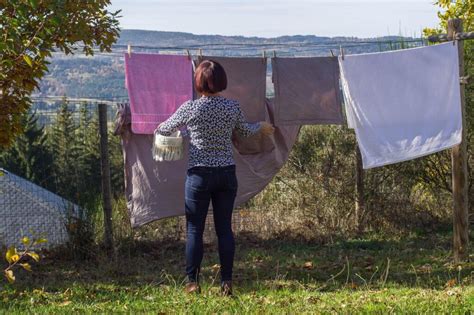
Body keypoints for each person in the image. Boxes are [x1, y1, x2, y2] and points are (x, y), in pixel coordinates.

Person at [157, 60, 274, 296]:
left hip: (198, 176)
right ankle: (227, 282)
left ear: (198, 82)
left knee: (194, 230)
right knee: (224, 230)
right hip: (226, 175)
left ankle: (192, 282)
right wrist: (261, 127)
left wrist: (182, 133)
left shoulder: (189, 109)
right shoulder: (231, 107)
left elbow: (162, 129)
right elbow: (244, 131)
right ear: (221, 81)